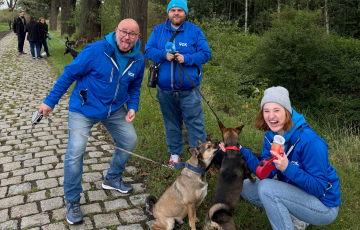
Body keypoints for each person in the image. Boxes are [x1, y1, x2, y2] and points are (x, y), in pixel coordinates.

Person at [38, 18, 144, 225]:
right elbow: (69, 74)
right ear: (116, 31)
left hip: (114, 111)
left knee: (130, 139)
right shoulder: (95, 51)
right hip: (83, 109)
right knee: (76, 150)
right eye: (124, 32)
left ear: (138, 37)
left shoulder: (138, 59)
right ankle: (72, 199)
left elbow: (135, 87)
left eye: (132, 34)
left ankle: (112, 178)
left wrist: (133, 106)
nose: (127, 37)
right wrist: (50, 101)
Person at [215, 86, 341, 230]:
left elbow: (319, 187)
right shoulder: (270, 137)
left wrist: (288, 168)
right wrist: (240, 149)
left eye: (276, 110)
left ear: (287, 111)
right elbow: (265, 172)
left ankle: (294, 219)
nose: (271, 116)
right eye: (266, 111)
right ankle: (294, 212)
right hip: (295, 188)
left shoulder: (310, 141)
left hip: (323, 205)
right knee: (245, 187)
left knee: (267, 188)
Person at [145, 0, 211, 165]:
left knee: (194, 123)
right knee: (171, 123)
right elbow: (148, 50)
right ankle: (175, 155)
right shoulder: (159, 30)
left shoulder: (194, 31)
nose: (176, 13)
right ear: (168, 13)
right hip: (165, 90)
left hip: (190, 90)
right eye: (173, 10)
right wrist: (162, 55)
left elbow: (205, 53)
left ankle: (201, 157)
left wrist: (187, 58)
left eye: (179, 10)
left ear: (185, 13)